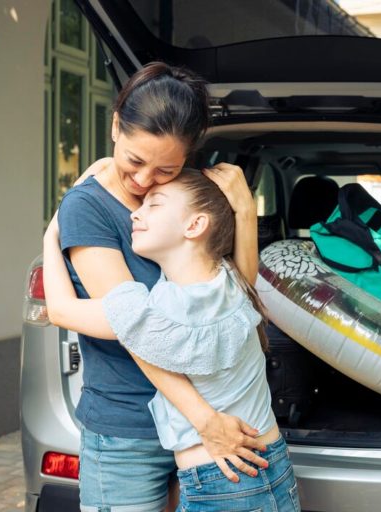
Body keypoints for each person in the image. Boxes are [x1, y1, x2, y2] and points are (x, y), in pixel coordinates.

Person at [49, 61, 267, 512]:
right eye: (134, 161)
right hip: (130, 430)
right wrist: (205, 421)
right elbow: (138, 330)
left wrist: (244, 212)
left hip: (204, 424)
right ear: (115, 127)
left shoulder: (187, 193)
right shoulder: (88, 207)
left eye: (165, 169)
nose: (145, 181)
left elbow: (234, 299)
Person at [43, 169, 301, 511]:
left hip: (225, 486)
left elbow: (60, 310)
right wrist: (244, 209)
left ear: (194, 226)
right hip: (272, 468)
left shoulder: (162, 312)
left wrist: (53, 233)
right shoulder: (232, 280)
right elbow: (247, 268)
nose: (135, 212)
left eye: (154, 204)